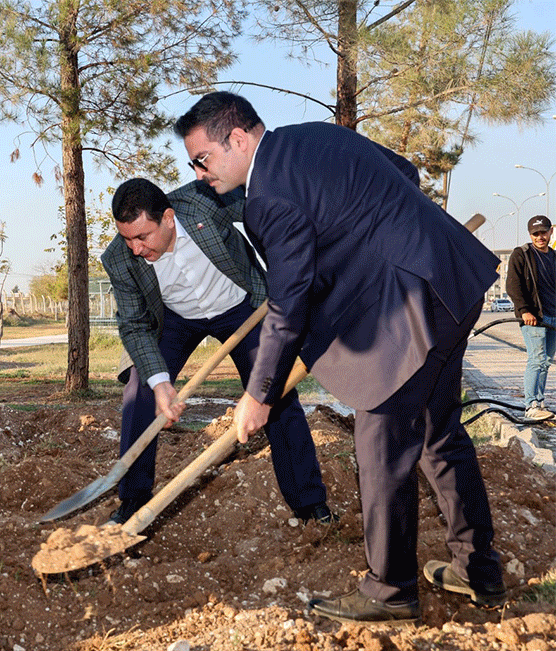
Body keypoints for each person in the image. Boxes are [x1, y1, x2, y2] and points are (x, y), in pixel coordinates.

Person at [174, 91, 504, 624]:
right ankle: (478, 569)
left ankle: (389, 590)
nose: (198, 172)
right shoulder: (316, 134)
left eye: (202, 158)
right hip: (451, 280)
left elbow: (287, 305)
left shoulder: (267, 200)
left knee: (380, 442)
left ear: (237, 139)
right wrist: (374, 242)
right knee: (439, 435)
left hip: (413, 306)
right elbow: (404, 170)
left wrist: (258, 395)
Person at [104, 177, 331, 526]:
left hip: (239, 306)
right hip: (175, 319)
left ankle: (309, 504)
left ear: (167, 217)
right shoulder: (119, 259)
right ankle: (133, 501)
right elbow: (134, 325)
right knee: (140, 392)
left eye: (142, 237)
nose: (134, 248)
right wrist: (161, 382)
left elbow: (268, 205)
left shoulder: (203, 202)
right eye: (126, 238)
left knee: (276, 393)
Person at [506, 215, 556, 421]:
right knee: (537, 360)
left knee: (545, 362)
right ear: (530, 235)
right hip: (533, 317)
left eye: (543, 232)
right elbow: (513, 285)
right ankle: (531, 406)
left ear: (551, 231)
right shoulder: (522, 255)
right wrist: (524, 310)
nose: (540, 237)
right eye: (536, 234)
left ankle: (540, 401)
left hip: (554, 317)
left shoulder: (554, 256)